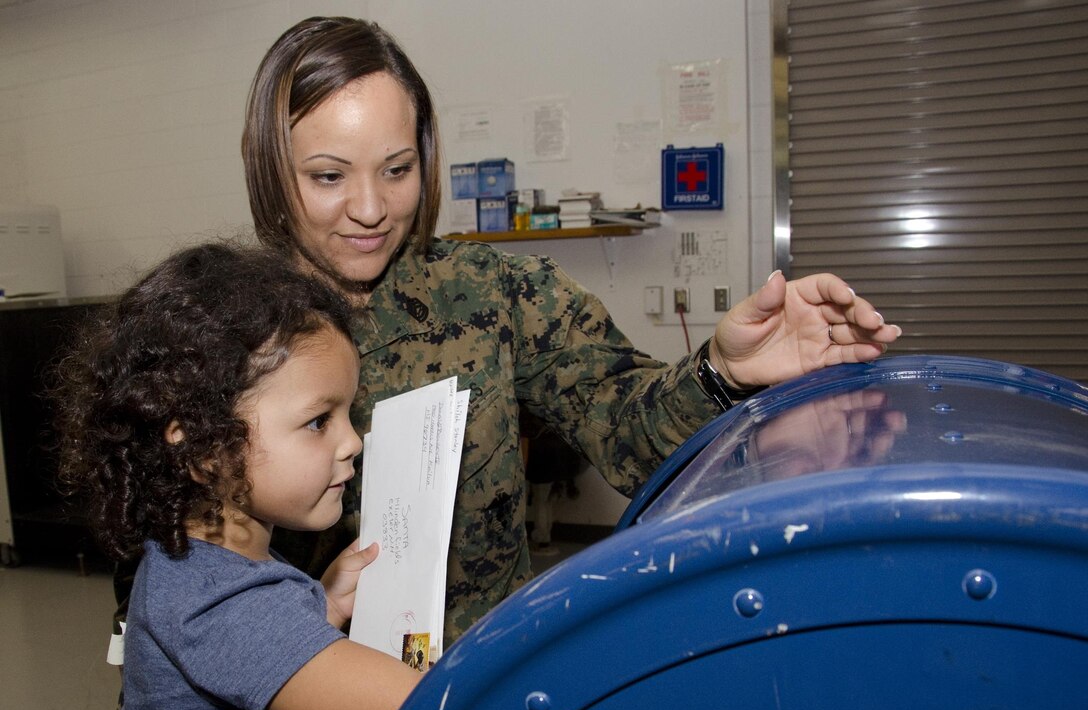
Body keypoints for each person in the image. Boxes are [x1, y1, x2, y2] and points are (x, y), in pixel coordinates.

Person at [107, 16, 902, 658]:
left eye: (396, 168)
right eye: (328, 175)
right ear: (270, 168)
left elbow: (628, 431)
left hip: (474, 690)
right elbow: (163, 556)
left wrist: (724, 372)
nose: (372, 207)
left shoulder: (490, 292)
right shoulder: (217, 330)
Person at [53, 241, 421, 710]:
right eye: (319, 421)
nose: (352, 441)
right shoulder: (217, 603)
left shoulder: (214, 560)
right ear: (203, 445)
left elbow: (252, 654)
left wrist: (320, 603)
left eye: (350, 412)